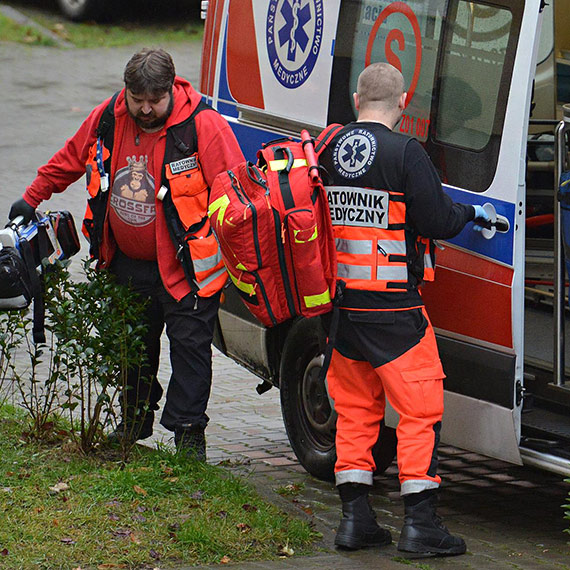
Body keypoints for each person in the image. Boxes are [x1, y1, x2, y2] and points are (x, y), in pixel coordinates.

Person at [9, 48, 244, 460]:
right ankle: (134, 420)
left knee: (190, 350)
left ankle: (189, 437)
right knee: (132, 346)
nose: (147, 109)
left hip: (187, 268)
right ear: (127, 92)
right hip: (125, 262)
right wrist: (31, 198)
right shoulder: (109, 117)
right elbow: (69, 158)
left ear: (171, 90)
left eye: (155, 100)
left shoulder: (203, 126)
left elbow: (236, 191)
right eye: (139, 101)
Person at [319, 62, 490, 555]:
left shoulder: (328, 147)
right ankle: (420, 526)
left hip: (342, 309)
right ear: (404, 100)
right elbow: (435, 219)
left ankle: (355, 521)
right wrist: (474, 213)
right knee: (419, 410)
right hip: (394, 312)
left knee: (353, 411)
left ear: (356, 99)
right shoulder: (404, 152)